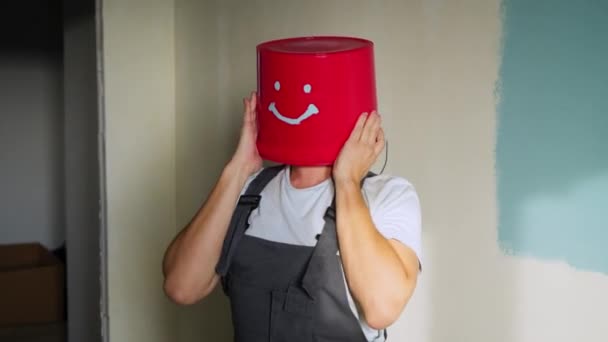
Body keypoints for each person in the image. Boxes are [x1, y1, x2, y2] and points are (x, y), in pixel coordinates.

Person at [162, 92, 422, 342]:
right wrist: (238, 169)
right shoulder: (248, 189)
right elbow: (181, 287)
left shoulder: (387, 195)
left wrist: (347, 182)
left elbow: (382, 309)